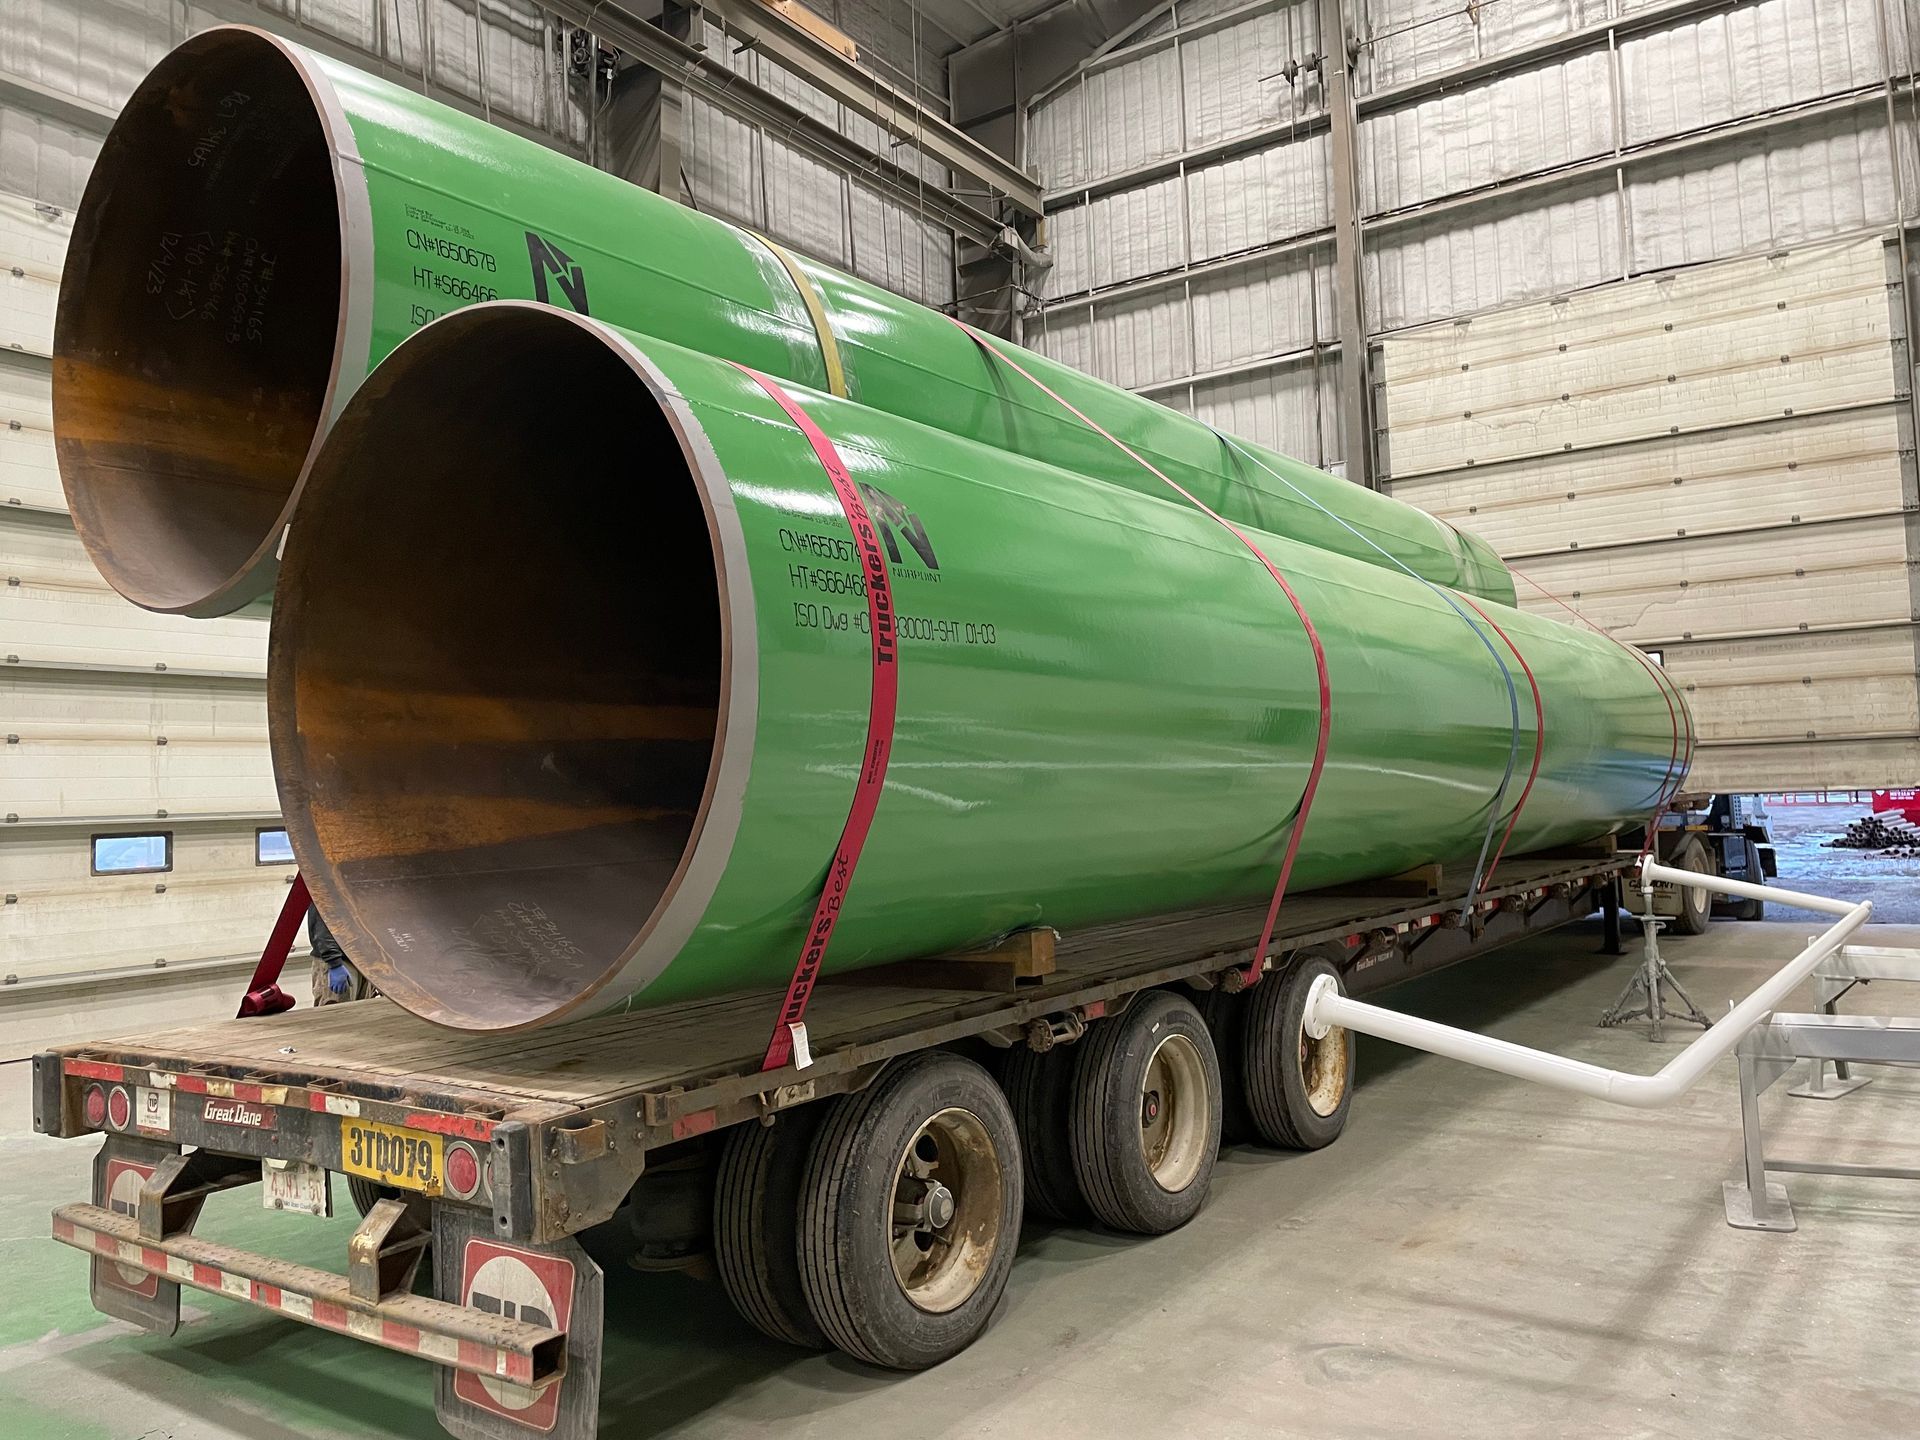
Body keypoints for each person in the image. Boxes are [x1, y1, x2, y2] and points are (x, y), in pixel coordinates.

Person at [309, 906, 372, 1005]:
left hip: (360, 962)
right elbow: (322, 925)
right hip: (338, 962)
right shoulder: (325, 892)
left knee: (362, 1014)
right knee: (335, 1015)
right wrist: (334, 963)